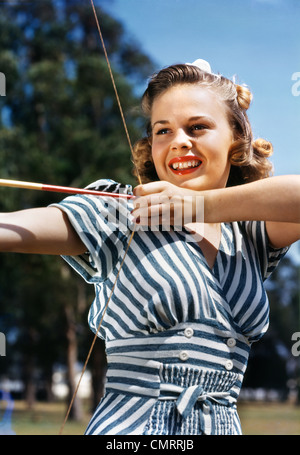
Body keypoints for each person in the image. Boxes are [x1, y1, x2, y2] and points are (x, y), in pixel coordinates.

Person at [0, 59, 299, 435]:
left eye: (197, 127)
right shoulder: (122, 210)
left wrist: (199, 206)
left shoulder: (251, 235)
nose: (178, 142)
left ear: (236, 138)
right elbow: (11, 228)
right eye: (163, 131)